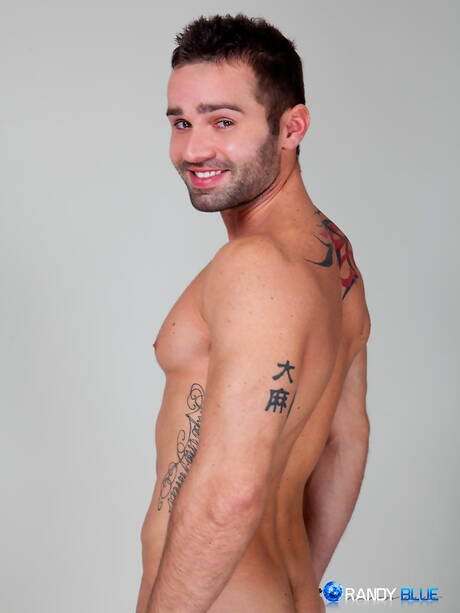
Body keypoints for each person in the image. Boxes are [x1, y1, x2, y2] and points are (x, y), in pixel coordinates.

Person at [136, 13, 371, 613]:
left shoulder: (255, 267)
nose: (194, 149)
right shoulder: (333, 255)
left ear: (292, 127)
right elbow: (346, 442)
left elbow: (231, 493)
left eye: (223, 121)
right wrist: (298, 582)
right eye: (181, 123)